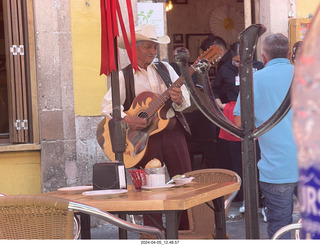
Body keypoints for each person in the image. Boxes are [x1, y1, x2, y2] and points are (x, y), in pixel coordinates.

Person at [101, 24, 192, 229]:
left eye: (155, 47)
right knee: (148, 188)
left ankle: (187, 231)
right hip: (144, 138)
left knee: (184, 181)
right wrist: (127, 119)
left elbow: (186, 100)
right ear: (135, 48)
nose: (153, 51)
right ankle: (152, 233)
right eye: (149, 47)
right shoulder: (123, 76)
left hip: (172, 131)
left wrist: (179, 99)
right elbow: (108, 107)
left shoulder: (166, 69)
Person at [233, 33, 298, 239]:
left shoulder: (254, 79)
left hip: (276, 168)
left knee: (280, 228)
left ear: (263, 57)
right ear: (289, 54)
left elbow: (239, 123)